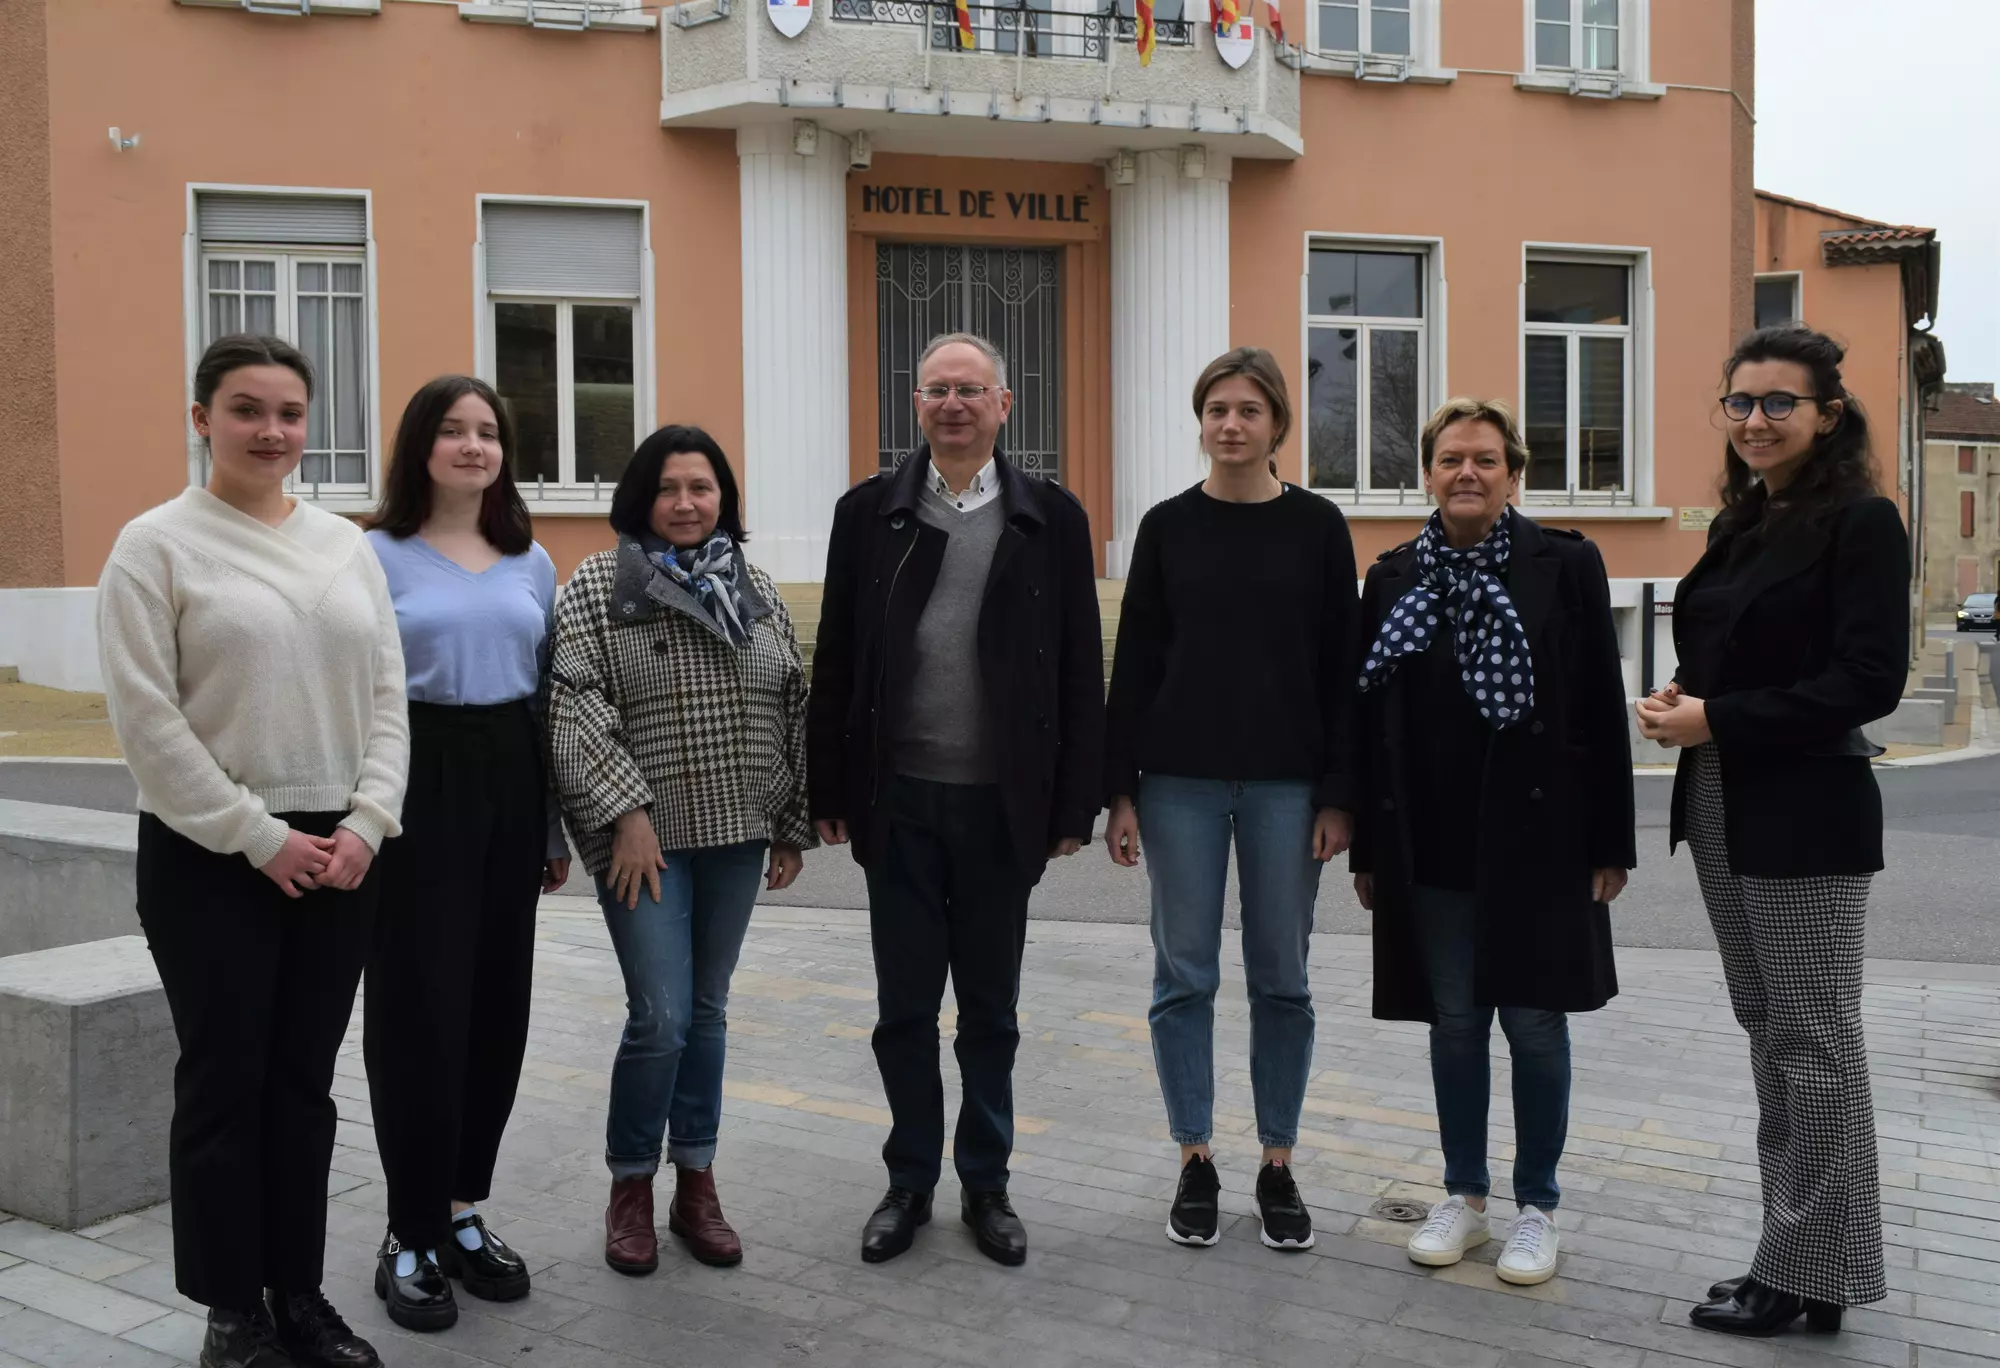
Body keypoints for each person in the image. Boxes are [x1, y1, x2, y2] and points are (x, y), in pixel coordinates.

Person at [97, 334, 408, 1368]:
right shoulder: (154, 546)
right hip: (208, 856)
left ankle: (298, 1291)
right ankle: (232, 1311)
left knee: (302, 1088)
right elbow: (146, 722)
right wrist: (257, 837)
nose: (270, 431)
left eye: (287, 411)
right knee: (224, 1083)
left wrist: (367, 822)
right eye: (244, 410)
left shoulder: (344, 545)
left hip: (338, 859)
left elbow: (385, 698)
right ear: (202, 422)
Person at [807, 331, 1104, 1268]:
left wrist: (1071, 807)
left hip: (1000, 806)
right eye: (937, 389)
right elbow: (839, 661)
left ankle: (987, 1184)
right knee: (904, 1010)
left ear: (1005, 406)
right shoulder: (869, 513)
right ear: (917, 404)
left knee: (990, 1013)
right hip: (898, 803)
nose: (954, 404)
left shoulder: (1051, 516)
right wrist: (830, 786)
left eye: (972, 390)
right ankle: (907, 1184)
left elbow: (1079, 672)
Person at [1637, 325, 1907, 1337]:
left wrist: (1718, 716)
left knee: (1814, 1044)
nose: (1753, 419)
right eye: (1739, 402)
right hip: (1719, 797)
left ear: (1826, 414)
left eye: (1776, 403)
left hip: (1803, 809)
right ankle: (1790, 1260)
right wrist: (1688, 699)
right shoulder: (1744, 520)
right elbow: (1739, 657)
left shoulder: (1858, 520)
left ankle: (1813, 1271)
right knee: (1772, 1036)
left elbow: (1864, 682)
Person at [1352, 397, 1634, 1289]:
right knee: (1457, 1023)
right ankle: (1464, 1198)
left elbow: (1596, 706)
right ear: (1426, 474)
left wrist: (1610, 842)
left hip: (1540, 837)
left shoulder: (1568, 566)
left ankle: (1536, 1207)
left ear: (1514, 474)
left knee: (1536, 1021)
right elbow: (1370, 723)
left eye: (1483, 459)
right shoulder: (1393, 577)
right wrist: (1368, 848)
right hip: (1429, 838)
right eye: (1448, 460)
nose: (1465, 474)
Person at [1101, 346, 1356, 1253]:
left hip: (1291, 785)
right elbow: (1135, 662)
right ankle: (1196, 1156)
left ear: (1278, 423)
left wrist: (1339, 793)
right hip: (1179, 783)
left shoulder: (1320, 528)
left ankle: (1278, 1161)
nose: (1232, 424)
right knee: (1185, 976)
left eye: (1250, 409)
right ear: (1200, 420)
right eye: (1217, 408)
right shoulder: (1168, 526)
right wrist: (1119, 790)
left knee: (1283, 978)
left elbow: (1342, 670)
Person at [548, 424, 811, 1277]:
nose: (688, 504)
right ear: (642, 499)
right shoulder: (598, 583)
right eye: (670, 489)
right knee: (658, 1017)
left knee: (706, 1012)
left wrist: (787, 818)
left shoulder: (757, 588)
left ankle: (695, 1180)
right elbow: (572, 698)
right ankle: (631, 1184)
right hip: (644, 841)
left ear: (723, 499)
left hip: (736, 829)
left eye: (703, 489)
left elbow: (789, 699)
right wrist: (623, 811)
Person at [361, 376, 570, 1331]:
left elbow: (546, 699)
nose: (473, 446)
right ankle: (405, 1230)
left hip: (510, 788)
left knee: (495, 1008)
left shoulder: (530, 560)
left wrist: (552, 826)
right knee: (418, 1012)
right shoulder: (372, 554)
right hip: (416, 785)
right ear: (420, 447)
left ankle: (459, 1211)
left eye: (488, 431)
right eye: (452, 431)